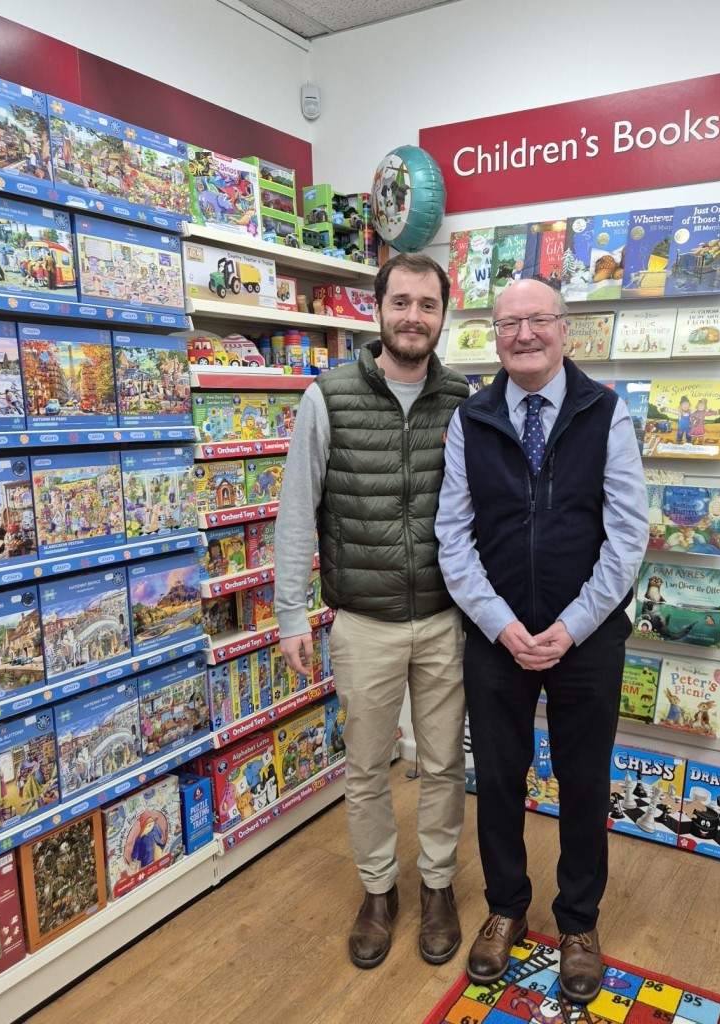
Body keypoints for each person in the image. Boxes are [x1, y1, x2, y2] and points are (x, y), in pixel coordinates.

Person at [435, 278, 649, 1005]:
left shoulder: (605, 412)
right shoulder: (472, 418)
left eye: (538, 321)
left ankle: (579, 924)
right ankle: (504, 907)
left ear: (566, 331)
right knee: (496, 779)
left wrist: (571, 626)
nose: (524, 334)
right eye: (509, 324)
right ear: (494, 336)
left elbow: (626, 537)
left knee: (585, 782)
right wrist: (501, 624)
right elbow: (452, 537)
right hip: (496, 637)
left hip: (586, 638)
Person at [274, 252, 470, 971]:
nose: (414, 316)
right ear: (377, 309)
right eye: (402, 303)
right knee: (365, 767)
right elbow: (298, 511)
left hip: (448, 620)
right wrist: (291, 614)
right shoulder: (327, 396)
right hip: (362, 620)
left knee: (446, 762)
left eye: (428, 304)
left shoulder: (466, 401)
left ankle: (440, 885)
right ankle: (379, 890)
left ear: (443, 315)